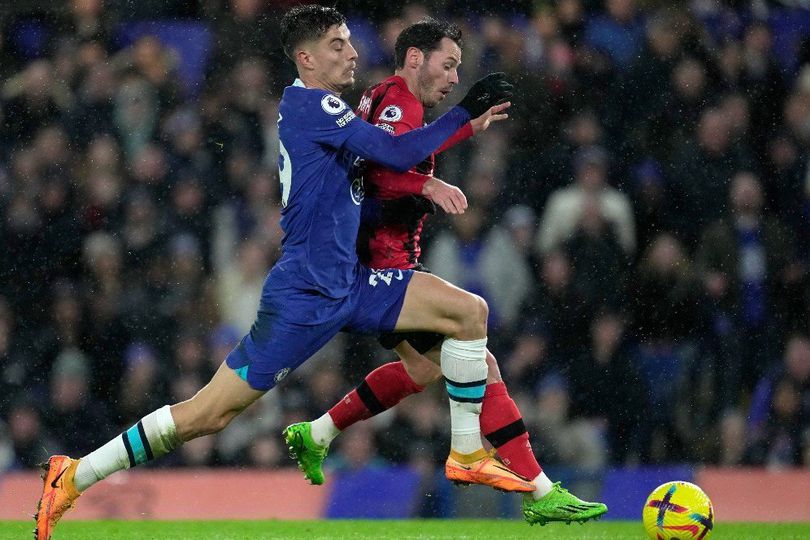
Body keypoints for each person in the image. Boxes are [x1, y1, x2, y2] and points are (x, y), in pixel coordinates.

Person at [34, 5, 524, 539]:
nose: (353, 52)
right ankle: (75, 474)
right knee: (207, 415)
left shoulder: (330, 105)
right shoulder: (310, 104)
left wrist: (451, 140)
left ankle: (467, 452)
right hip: (307, 294)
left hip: (353, 284)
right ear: (306, 57)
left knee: (465, 315)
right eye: (338, 45)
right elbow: (394, 148)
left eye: (350, 42)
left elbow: (390, 159)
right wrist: (462, 117)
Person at [283, 18, 607, 526]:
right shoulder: (398, 101)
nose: (455, 78)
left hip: (381, 262)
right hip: (378, 268)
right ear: (416, 58)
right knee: (472, 324)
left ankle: (318, 432)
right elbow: (386, 174)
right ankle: (500, 470)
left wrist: (460, 130)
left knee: (425, 370)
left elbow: (391, 152)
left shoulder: (388, 99)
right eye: (448, 64)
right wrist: (428, 186)